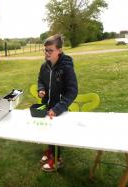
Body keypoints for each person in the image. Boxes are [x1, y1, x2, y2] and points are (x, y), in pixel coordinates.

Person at [37, 34, 78, 172]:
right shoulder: (44, 66)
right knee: (48, 130)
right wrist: (41, 89)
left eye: (50, 50)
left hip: (59, 107)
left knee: (56, 132)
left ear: (59, 50)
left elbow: (72, 91)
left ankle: (57, 159)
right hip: (46, 105)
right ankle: (50, 150)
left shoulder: (66, 67)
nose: (47, 53)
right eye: (45, 50)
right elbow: (40, 80)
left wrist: (59, 108)